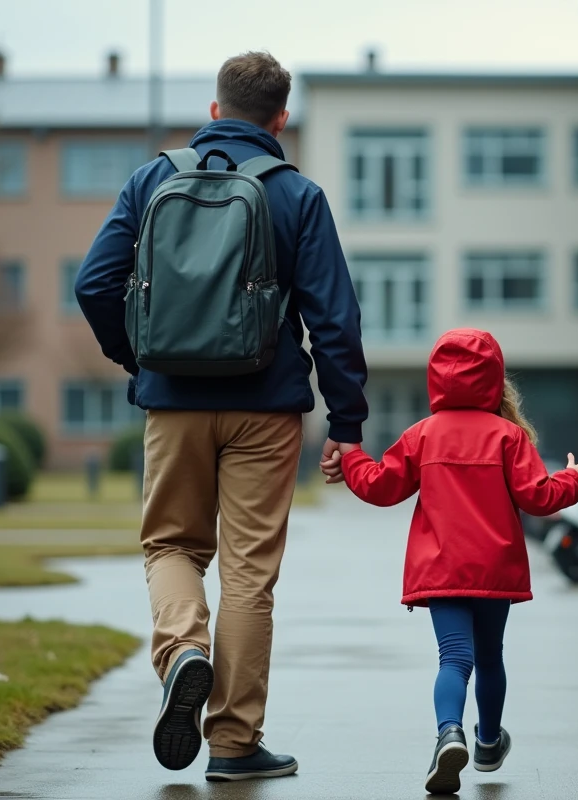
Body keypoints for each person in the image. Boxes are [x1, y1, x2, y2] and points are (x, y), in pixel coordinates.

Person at [76, 51, 367, 781]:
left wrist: (138, 359)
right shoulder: (297, 195)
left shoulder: (153, 179)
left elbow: (93, 284)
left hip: (172, 402)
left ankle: (185, 652)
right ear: (281, 119)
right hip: (266, 409)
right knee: (248, 576)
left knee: (171, 545)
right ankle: (235, 744)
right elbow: (334, 321)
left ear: (214, 111)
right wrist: (350, 424)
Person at [319, 328, 578, 794]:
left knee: (454, 658)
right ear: (495, 379)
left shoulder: (422, 435)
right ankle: (488, 743)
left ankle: (448, 732)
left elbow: (380, 486)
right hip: (494, 568)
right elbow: (537, 498)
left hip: (442, 569)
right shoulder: (509, 437)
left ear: (437, 377)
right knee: (490, 658)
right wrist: (572, 478)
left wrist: (351, 456)